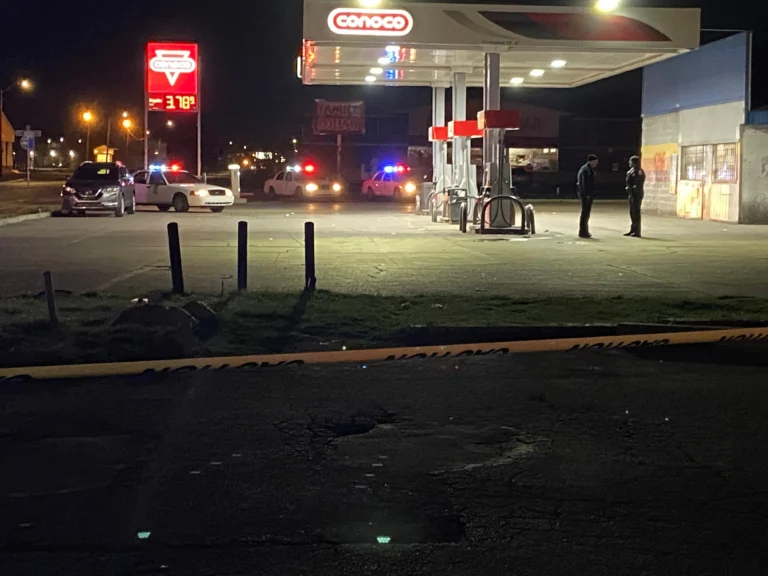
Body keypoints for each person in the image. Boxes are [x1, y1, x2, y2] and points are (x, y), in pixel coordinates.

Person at [576, 154, 598, 238]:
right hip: (586, 195)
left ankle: (584, 231)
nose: (596, 164)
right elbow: (585, 184)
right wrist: (587, 195)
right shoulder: (586, 170)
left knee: (585, 213)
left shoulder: (585, 168)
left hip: (585, 194)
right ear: (592, 161)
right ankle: (583, 232)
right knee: (585, 213)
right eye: (595, 162)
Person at [624, 155, 646, 238]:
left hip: (636, 194)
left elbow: (638, 183)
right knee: (632, 212)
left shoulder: (639, 171)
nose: (629, 163)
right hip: (631, 194)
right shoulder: (632, 170)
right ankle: (632, 229)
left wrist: (633, 190)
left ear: (635, 163)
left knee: (636, 212)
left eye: (630, 161)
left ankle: (637, 231)